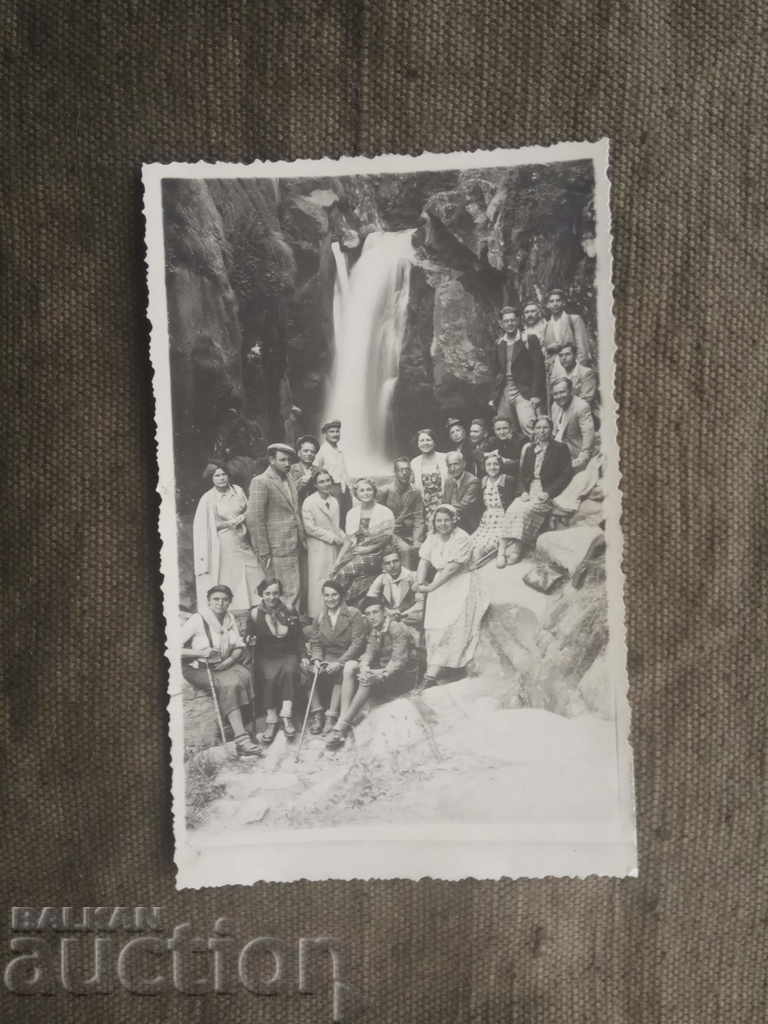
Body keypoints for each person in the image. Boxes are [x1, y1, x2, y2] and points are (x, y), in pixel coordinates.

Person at [413, 505, 489, 694]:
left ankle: (431, 677)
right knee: (434, 626)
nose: (443, 524)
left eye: (447, 520)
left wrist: (431, 587)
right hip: (441, 584)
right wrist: (419, 582)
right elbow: (424, 560)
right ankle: (437, 668)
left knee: (450, 625)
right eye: (439, 520)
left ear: (454, 520)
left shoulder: (462, 538)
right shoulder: (432, 538)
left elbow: (452, 568)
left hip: (461, 582)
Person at [180, 585, 262, 758]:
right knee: (229, 684)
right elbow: (172, 647)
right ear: (209, 601)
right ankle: (241, 739)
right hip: (197, 667)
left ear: (229, 602)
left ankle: (241, 724)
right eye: (216, 599)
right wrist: (201, 653)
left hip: (223, 664)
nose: (220, 603)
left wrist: (229, 661)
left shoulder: (229, 618)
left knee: (246, 675)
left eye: (225, 599)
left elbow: (239, 645)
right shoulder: (198, 619)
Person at [325, 595, 417, 750]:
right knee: (349, 666)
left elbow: (398, 662)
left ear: (384, 613)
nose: (372, 617)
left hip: (402, 676)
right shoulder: (375, 629)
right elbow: (370, 651)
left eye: (375, 612)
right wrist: (365, 666)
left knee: (366, 679)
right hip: (385, 670)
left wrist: (378, 673)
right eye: (368, 614)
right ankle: (343, 716)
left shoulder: (396, 628)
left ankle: (341, 727)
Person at [497, 416, 573, 566]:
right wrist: (523, 491)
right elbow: (522, 474)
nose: (542, 431)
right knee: (513, 509)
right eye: (538, 428)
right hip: (529, 489)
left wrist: (549, 493)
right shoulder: (530, 449)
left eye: (545, 428)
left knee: (525, 511)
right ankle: (501, 549)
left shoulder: (560, 448)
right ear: (534, 430)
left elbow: (566, 475)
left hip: (546, 491)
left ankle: (516, 549)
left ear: (551, 430)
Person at [192, 463, 262, 611]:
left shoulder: (238, 490)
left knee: (252, 567)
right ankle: (235, 606)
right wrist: (229, 523)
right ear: (211, 478)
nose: (221, 478)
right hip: (225, 540)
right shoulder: (208, 498)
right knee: (231, 572)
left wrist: (242, 518)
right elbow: (206, 526)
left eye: (224, 474)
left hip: (242, 536)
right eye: (217, 475)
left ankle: (255, 602)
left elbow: (249, 509)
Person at [246, 443, 305, 608]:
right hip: (276, 547)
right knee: (283, 590)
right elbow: (255, 519)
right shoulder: (261, 482)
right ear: (271, 460)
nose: (287, 464)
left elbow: (294, 511)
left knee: (294, 588)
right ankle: (285, 627)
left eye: (289, 460)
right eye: (282, 460)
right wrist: (263, 551)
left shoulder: (289, 479)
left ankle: (292, 625)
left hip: (294, 543)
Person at [246, 578, 304, 744]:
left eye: (275, 593)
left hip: (287, 652)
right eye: (267, 593)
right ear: (261, 594)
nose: (272, 597)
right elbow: (248, 635)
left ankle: (286, 716)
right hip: (265, 655)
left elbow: (298, 636)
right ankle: (271, 719)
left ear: (280, 593)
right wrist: (250, 640)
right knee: (269, 676)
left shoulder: (290, 610)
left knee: (290, 671)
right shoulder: (255, 613)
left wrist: (304, 656)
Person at [306, 579, 368, 735]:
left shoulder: (353, 614)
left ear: (341, 596)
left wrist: (340, 663)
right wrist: (317, 659)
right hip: (328, 655)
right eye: (326, 595)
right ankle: (317, 712)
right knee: (306, 670)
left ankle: (331, 716)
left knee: (340, 673)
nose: (330, 599)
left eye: (334, 595)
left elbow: (357, 643)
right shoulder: (320, 617)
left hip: (347, 655)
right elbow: (316, 642)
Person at [330, 478, 396, 606]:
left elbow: (387, 538)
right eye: (362, 490)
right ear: (357, 494)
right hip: (356, 552)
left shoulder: (385, 512)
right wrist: (338, 560)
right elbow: (348, 541)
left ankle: (340, 604)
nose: (366, 493)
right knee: (335, 572)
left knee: (345, 572)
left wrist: (368, 549)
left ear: (374, 492)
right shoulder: (352, 513)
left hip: (377, 553)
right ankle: (341, 607)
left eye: (369, 490)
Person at [490, 306, 546, 437]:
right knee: (505, 429)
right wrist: (493, 396)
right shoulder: (499, 343)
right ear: (501, 324)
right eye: (506, 321)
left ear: (518, 321)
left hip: (523, 390)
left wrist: (535, 394)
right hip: (505, 390)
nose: (510, 324)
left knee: (529, 425)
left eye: (512, 320)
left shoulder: (529, 339)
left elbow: (538, 368)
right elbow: (496, 372)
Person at [550, 376, 600, 514]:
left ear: (570, 391)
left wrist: (584, 454)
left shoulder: (581, 406)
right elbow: (555, 431)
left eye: (562, 392)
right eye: (555, 393)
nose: (559, 396)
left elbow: (588, 433)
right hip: (559, 448)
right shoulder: (555, 406)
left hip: (575, 450)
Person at [301, 469, 345, 619]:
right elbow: (310, 528)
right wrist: (332, 537)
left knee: (332, 577)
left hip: (334, 547)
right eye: (321, 482)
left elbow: (335, 524)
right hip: (318, 547)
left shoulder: (334, 501)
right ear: (315, 484)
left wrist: (343, 537)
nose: (326, 484)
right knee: (318, 580)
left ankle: (333, 614)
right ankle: (316, 616)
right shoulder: (309, 502)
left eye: (328, 480)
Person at [470, 450, 516, 566]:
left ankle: (501, 553)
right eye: (489, 465)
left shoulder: (507, 479)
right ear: (484, 467)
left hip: (504, 516)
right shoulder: (483, 481)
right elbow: (480, 503)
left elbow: (514, 498)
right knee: (475, 542)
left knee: (494, 540)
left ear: (500, 466)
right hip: (488, 518)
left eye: (495, 464)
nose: (492, 467)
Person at [380, 457, 426, 568]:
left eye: (407, 470)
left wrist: (417, 540)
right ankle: (405, 580)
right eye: (401, 470)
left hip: (409, 532)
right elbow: (378, 516)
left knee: (424, 547)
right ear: (395, 472)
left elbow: (419, 518)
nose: (405, 473)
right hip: (391, 532)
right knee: (405, 549)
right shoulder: (385, 491)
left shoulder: (415, 492)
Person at [367, 548, 424, 634]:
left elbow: (421, 603)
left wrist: (403, 613)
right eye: (387, 563)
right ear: (383, 566)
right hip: (390, 618)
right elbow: (371, 598)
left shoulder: (413, 576)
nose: (392, 565)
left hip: (410, 618)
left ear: (401, 562)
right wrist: (387, 611)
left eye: (395, 561)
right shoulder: (382, 578)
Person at [540, 289, 593, 367]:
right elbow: (544, 352)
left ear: (563, 303)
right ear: (547, 305)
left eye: (558, 300)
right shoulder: (546, 326)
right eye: (551, 301)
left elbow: (582, 349)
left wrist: (579, 369)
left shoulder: (574, 319)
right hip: (554, 371)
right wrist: (549, 348)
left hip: (573, 367)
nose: (555, 304)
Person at [410, 428, 448, 528]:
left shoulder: (444, 458)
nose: (425, 443)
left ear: (434, 442)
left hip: (444, 502)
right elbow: (413, 485)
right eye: (421, 441)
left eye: (428, 440)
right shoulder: (414, 462)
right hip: (425, 506)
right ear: (418, 444)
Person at [314, 420, 351, 519]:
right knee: (335, 516)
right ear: (325, 434)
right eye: (331, 432)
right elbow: (315, 468)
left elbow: (343, 470)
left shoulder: (339, 450)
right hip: (332, 488)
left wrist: (348, 486)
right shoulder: (323, 450)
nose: (335, 434)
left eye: (337, 431)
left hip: (343, 487)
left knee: (347, 513)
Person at [442, 451, 483, 534]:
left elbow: (463, 506)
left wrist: (444, 514)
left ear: (463, 464)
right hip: (450, 521)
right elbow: (445, 502)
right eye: (450, 465)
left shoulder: (473, 481)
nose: (452, 468)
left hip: (467, 524)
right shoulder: (448, 481)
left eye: (456, 464)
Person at [550, 342, 599, 409]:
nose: (564, 358)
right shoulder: (558, 376)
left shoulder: (586, 373)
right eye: (561, 355)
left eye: (567, 354)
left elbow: (586, 400)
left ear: (575, 356)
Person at [289, 434, 320, 506]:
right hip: (297, 509)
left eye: (313, 452)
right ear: (299, 453)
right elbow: (285, 493)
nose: (309, 454)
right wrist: (298, 484)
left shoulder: (319, 471)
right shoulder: (290, 470)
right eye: (305, 451)